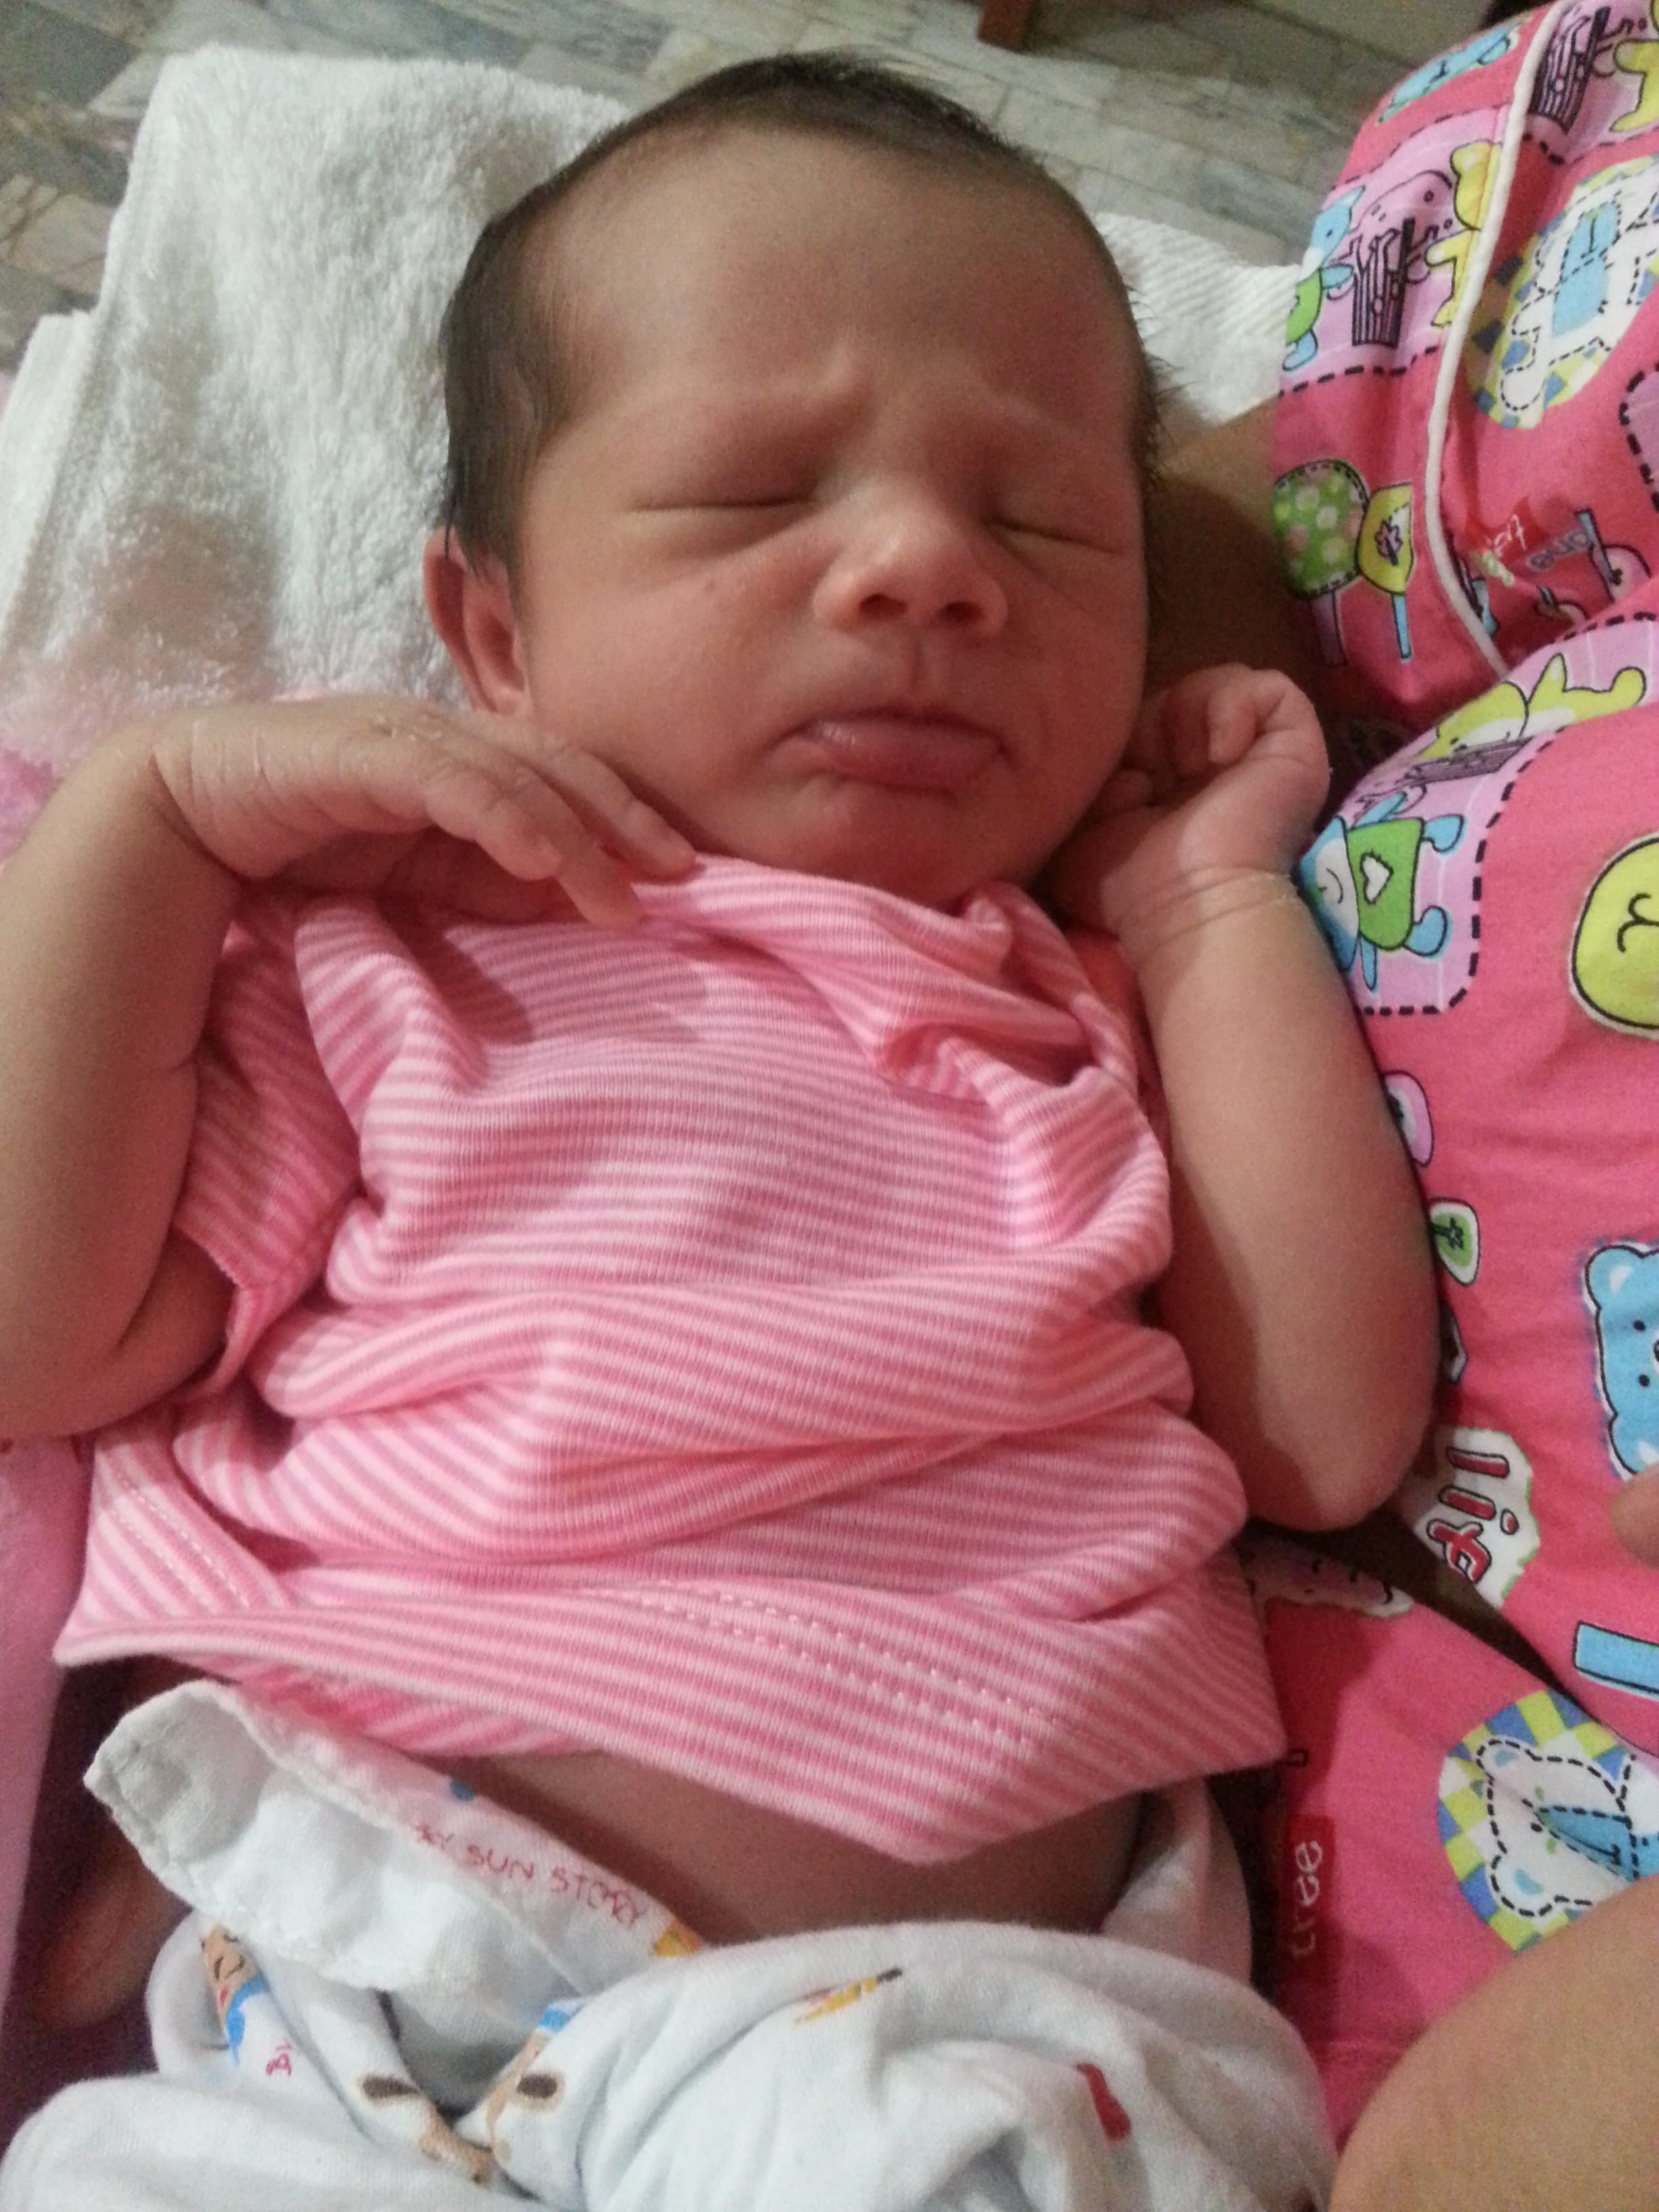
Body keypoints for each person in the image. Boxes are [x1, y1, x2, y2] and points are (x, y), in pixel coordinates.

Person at [0, 56, 1433, 2207]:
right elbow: (37, 1334)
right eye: (761, 496)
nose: (928, 568)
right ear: (492, 631)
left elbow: (1320, 1435)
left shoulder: (1100, 999)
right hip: (390, 1971)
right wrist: (151, 822)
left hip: (966, 2037)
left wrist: (1212, 901)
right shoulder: (379, 962)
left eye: (1043, 524)